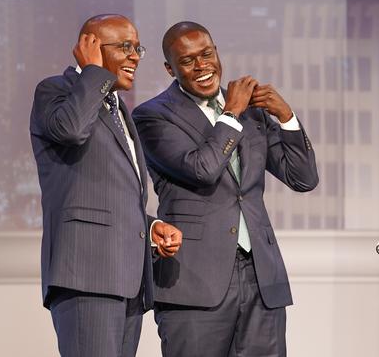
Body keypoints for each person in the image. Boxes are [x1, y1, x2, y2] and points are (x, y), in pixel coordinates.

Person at [132, 21, 319, 356]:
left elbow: (303, 178)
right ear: (169, 69)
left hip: (261, 278)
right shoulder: (152, 116)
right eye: (188, 61)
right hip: (194, 281)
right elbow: (202, 169)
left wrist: (286, 116)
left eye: (207, 54)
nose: (202, 66)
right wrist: (231, 111)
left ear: (216, 51)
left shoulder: (253, 113)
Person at [29, 14, 183, 357]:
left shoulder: (118, 109)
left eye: (137, 48)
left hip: (127, 280)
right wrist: (93, 73)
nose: (135, 57)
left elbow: (112, 194)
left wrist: (151, 226)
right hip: (87, 276)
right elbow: (70, 130)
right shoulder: (56, 91)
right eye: (125, 47)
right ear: (91, 48)